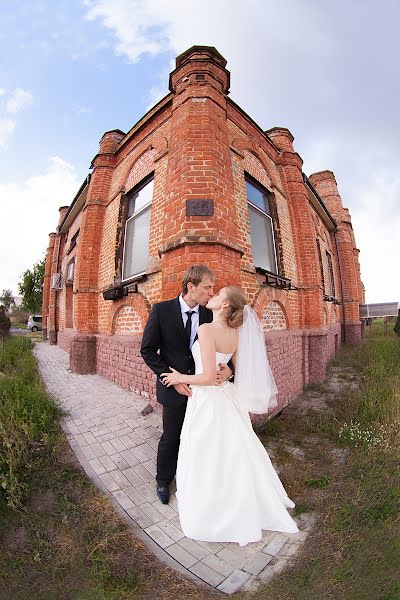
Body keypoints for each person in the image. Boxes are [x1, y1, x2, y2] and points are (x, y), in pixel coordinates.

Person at [161, 285, 299, 546]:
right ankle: (239, 498)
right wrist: (229, 373)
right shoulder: (236, 333)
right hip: (226, 398)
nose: (212, 296)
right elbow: (234, 367)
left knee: (207, 452)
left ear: (224, 306)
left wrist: (179, 377)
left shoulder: (206, 329)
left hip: (209, 401)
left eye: (217, 294)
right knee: (232, 451)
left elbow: (205, 377)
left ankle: (215, 507)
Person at [140, 265, 233, 505]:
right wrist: (171, 379)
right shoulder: (161, 311)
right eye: (207, 288)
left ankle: (193, 480)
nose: (212, 293)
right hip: (174, 387)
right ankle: (163, 480)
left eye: (213, 288)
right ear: (190, 287)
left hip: (205, 391)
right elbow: (148, 350)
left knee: (198, 438)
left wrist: (230, 369)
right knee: (171, 436)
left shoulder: (209, 313)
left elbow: (226, 350)